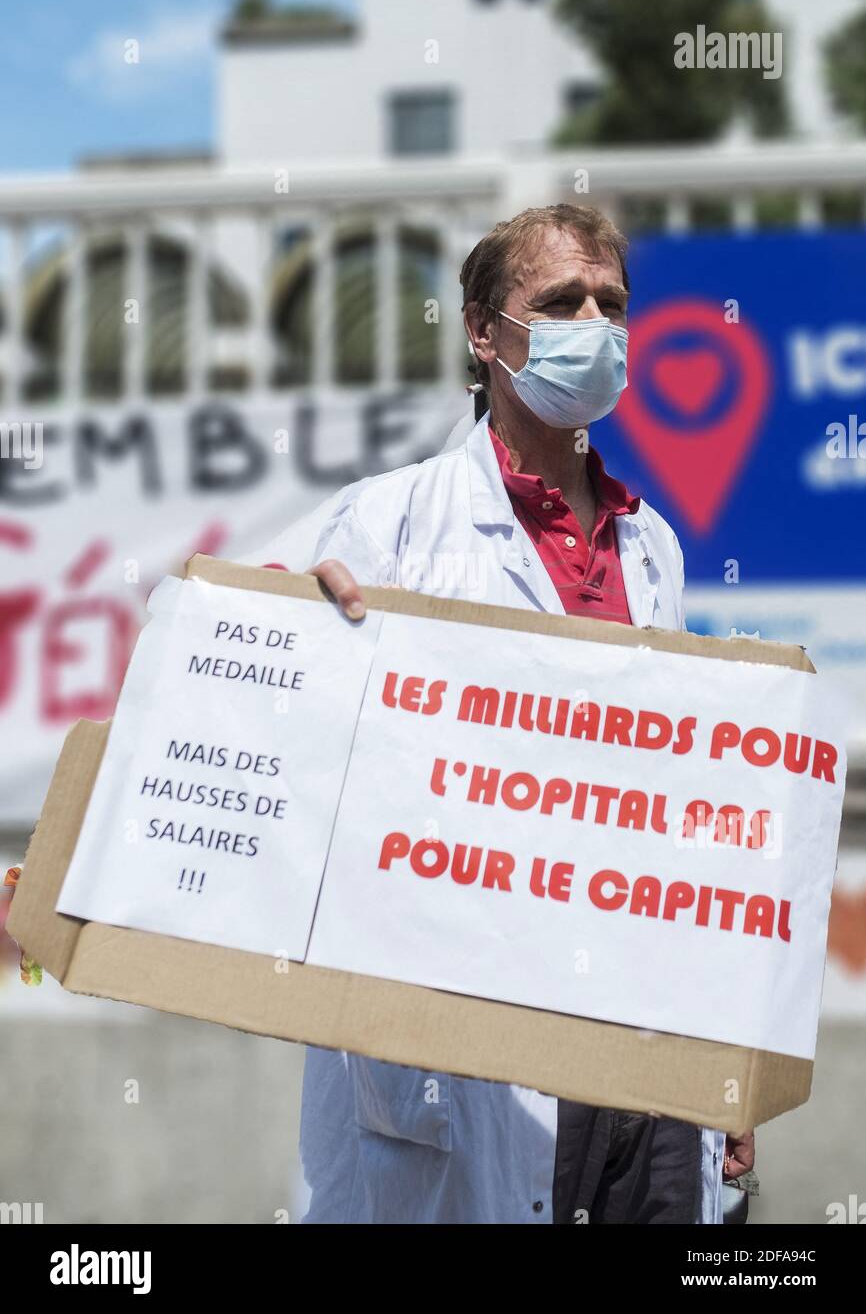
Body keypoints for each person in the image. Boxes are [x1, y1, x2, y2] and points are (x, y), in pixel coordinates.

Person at [239, 203, 755, 1223]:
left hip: (641, 1046)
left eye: (610, 304)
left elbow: (674, 812)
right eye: (558, 302)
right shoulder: (385, 521)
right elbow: (232, 687)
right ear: (482, 332)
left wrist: (723, 1048)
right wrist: (290, 628)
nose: (592, 326)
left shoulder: (651, 548)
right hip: (469, 1043)